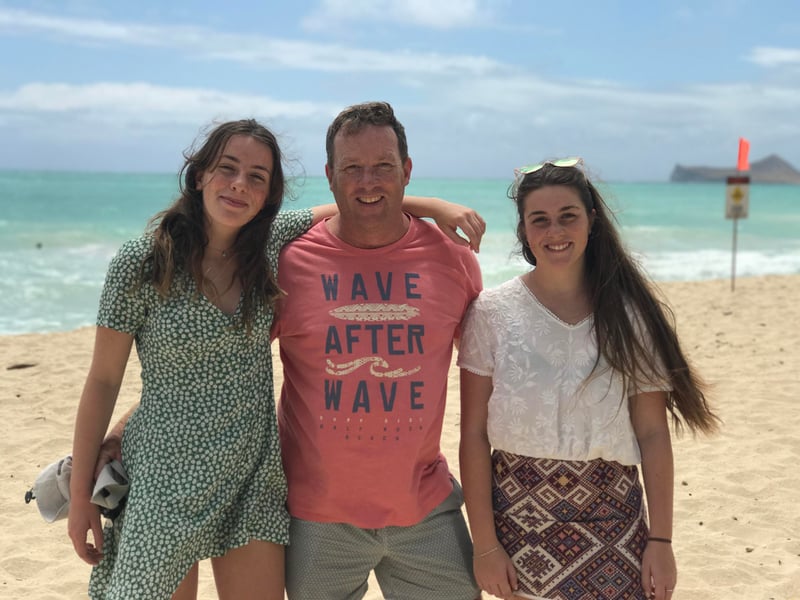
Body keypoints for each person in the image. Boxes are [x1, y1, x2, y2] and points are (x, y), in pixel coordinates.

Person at [68, 117, 483, 600]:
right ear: (199, 175)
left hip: (254, 479)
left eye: (257, 177)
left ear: (269, 194)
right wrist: (84, 487)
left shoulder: (266, 251)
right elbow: (105, 380)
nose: (239, 184)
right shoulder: (150, 262)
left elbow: (360, 202)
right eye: (227, 168)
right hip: (167, 476)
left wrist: (433, 206)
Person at [457, 158, 720, 600]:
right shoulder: (491, 313)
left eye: (568, 216)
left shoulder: (630, 315)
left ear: (591, 221)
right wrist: (484, 546)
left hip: (615, 526)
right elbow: (473, 435)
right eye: (540, 219)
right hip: (519, 526)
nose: (555, 231)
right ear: (523, 230)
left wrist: (661, 541)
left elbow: (653, 433)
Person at [273, 101, 483, 600]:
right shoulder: (289, 263)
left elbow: (494, 376)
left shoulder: (453, 260)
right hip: (316, 515)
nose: (368, 182)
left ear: (406, 171)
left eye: (383, 167)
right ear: (330, 176)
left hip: (425, 507)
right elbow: (221, 363)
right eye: (352, 169)